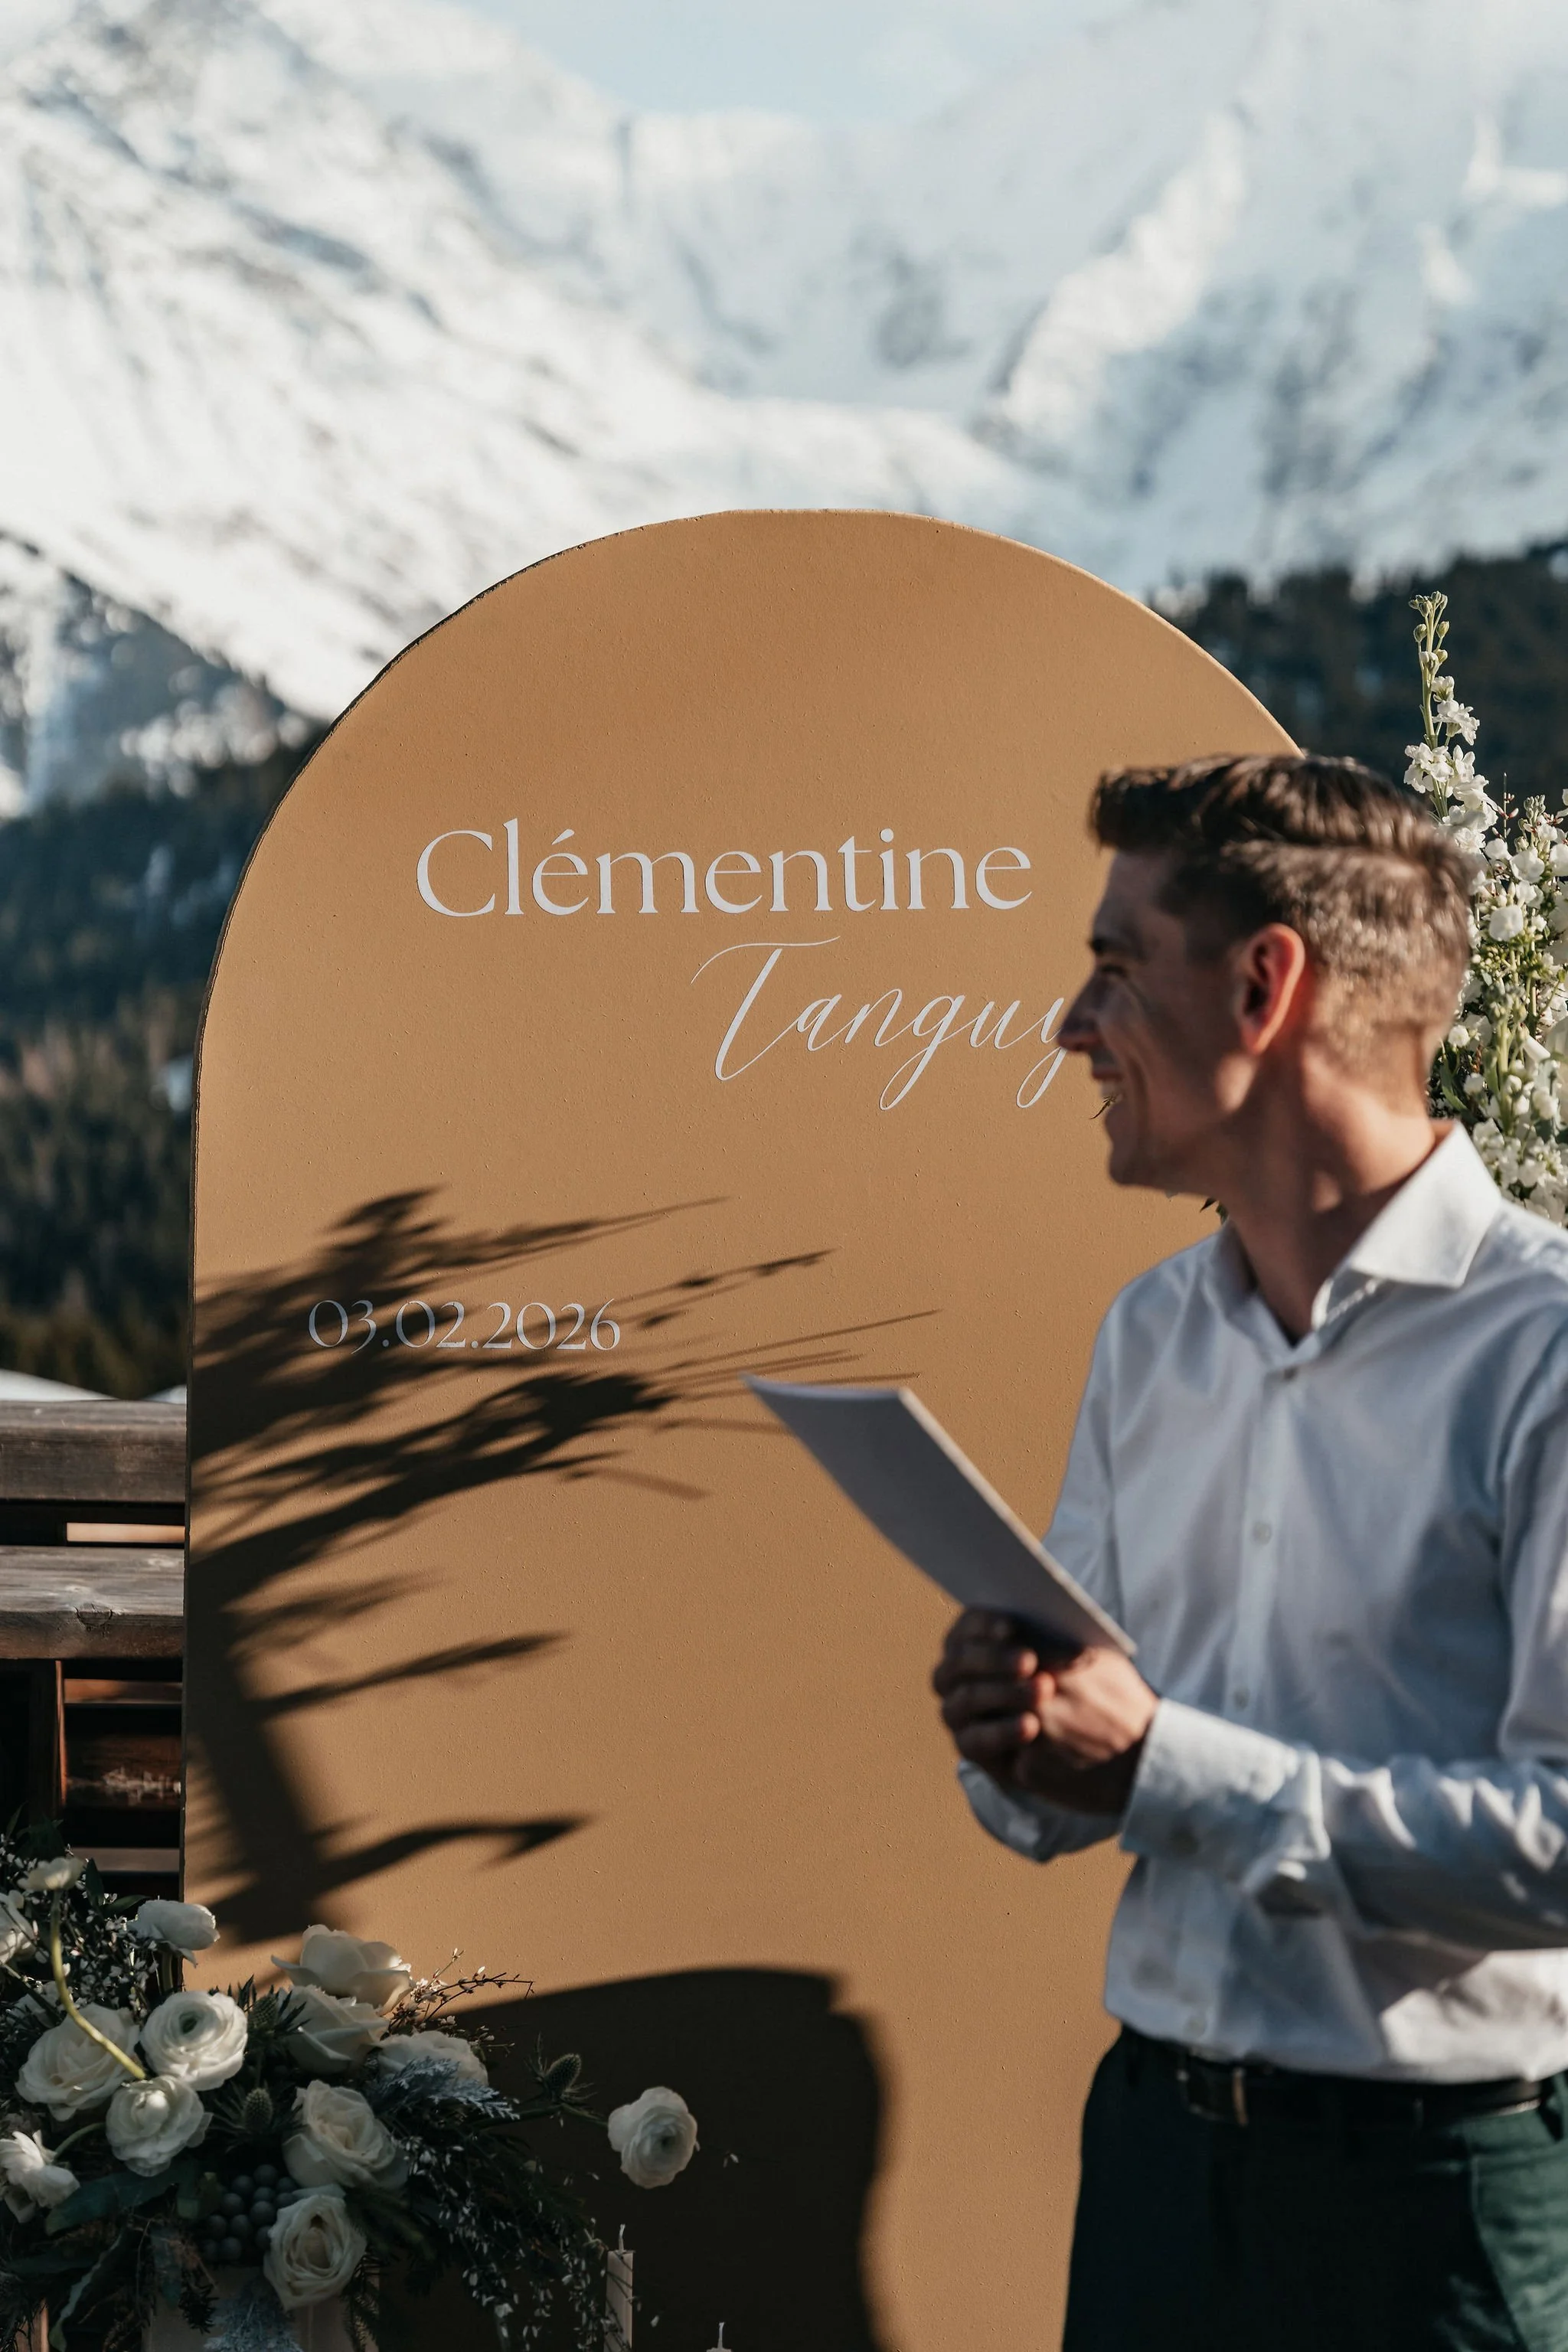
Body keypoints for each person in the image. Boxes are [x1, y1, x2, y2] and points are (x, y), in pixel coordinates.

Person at [933, 752, 1568, 2352]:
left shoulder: (1542, 1352)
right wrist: (1017, 1740)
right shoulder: (1148, 1337)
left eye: (1114, 969)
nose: (1070, 1027)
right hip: (1152, 2167)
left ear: (1264, 985)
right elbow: (1053, 1803)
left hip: (1436, 2213)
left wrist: (1159, 1768)